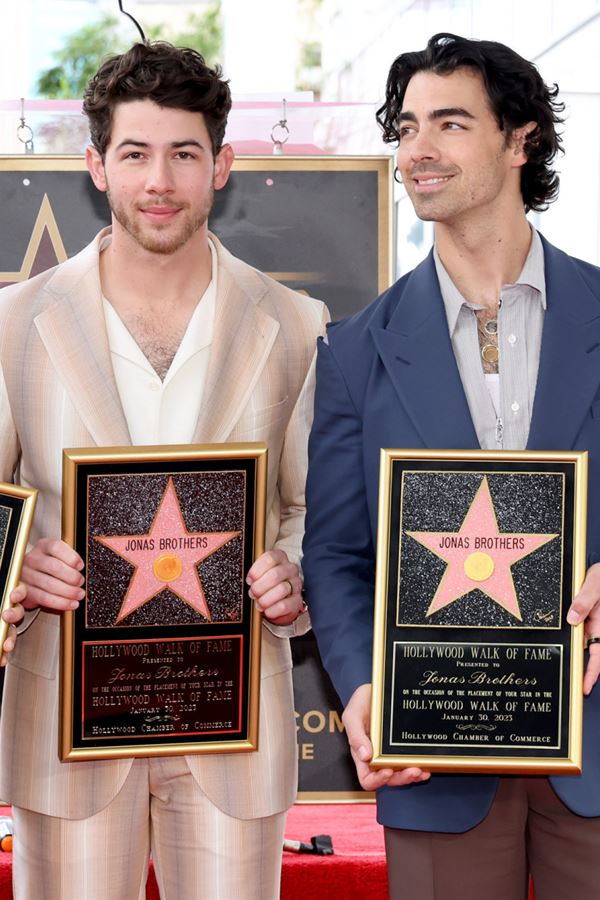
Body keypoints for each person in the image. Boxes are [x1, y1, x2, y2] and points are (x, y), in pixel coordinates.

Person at [0, 41, 327, 900]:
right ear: (95, 166)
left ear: (221, 165)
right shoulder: (12, 322)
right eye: (135, 154)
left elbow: (310, 509)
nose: (160, 181)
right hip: (66, 719)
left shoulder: (293, 323)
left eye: (184, 154)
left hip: (232, 722)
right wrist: (17, 568)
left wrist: (290, 569)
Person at [303, 32, 600, 900]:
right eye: (405, 127)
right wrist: (361, 686)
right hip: (433, 763)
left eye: (449, 123)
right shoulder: (356, 350)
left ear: (522, 138)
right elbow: (336, 556)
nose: (416, 150)